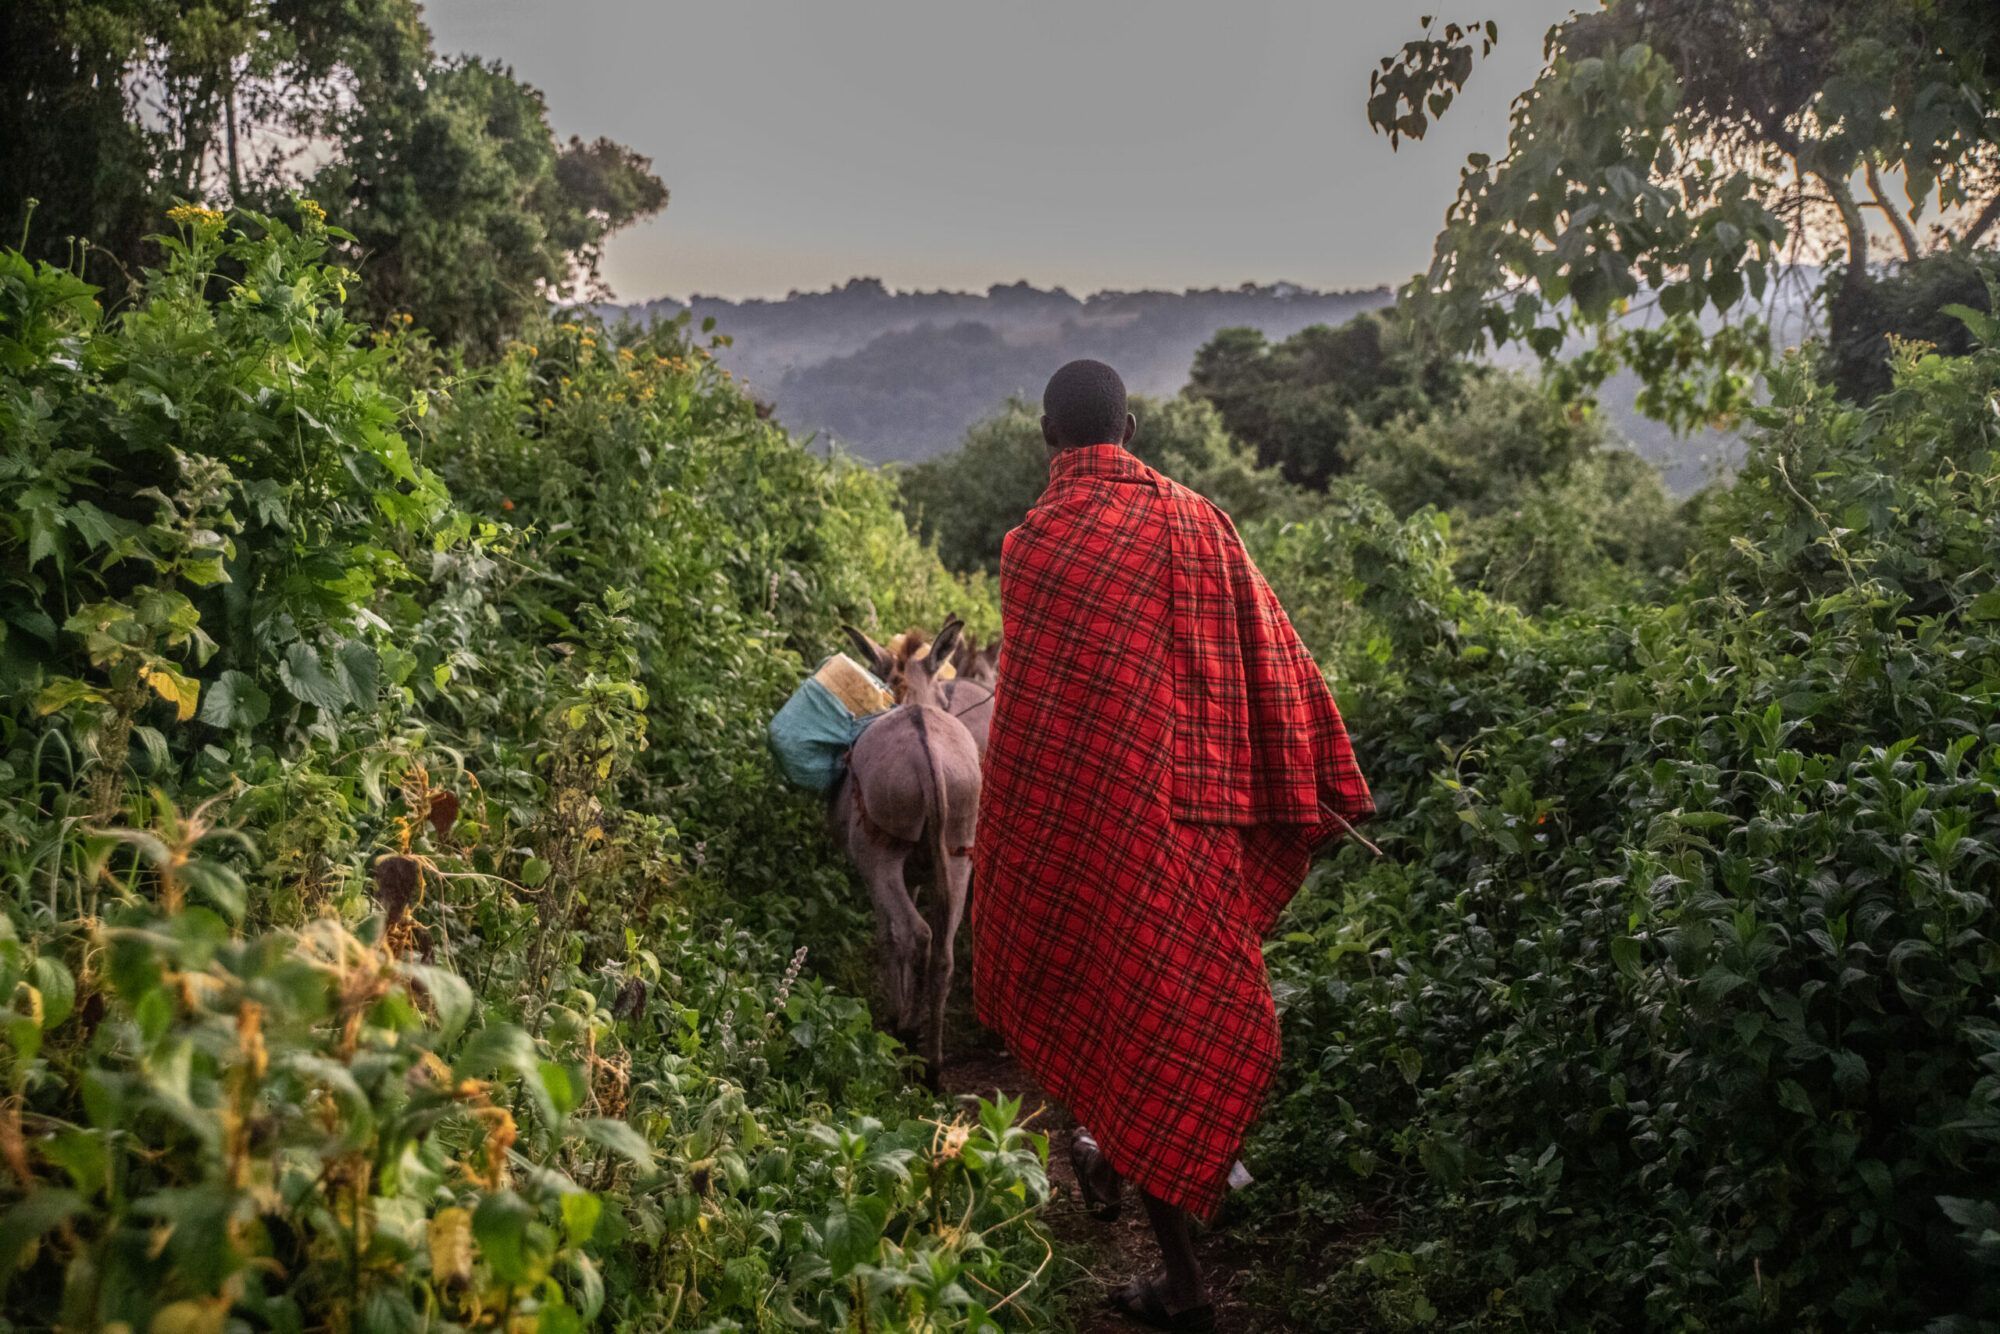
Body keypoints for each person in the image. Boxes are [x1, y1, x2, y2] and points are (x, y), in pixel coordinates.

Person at [972, 359, 1374, 1331]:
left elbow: (1030, 729)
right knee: (1177, 1021)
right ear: (1133, 427)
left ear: (1045, 436)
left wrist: (1026, 840)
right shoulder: (1199, 522)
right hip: (1192, 828)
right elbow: (1276, 656)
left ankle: (1171, 1256)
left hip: (1088, 843)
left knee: (1123, 1021)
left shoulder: (1030, 548)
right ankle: (1167, 1241)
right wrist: (1311, 772)